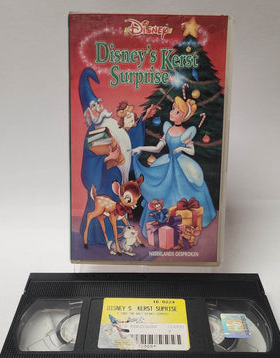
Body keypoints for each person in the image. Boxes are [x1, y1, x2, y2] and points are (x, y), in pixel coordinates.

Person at [78, 68, 157, 245]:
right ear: (88, 114)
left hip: (118, 175)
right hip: (104, 179)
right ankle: (100, 238)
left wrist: (143, 119)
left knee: (119, 207)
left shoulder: (111, 123)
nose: (99, 108)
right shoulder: (93, 131)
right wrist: (107, 158)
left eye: (98, 104)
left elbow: (127, 141)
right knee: (105, 208)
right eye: (93, 107)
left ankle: (120, 236)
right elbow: (89, 160)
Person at [132, 96, 216, 238]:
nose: (172, 113)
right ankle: (161, 225)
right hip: (167, 162)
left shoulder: (186, 133)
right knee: (159, 186)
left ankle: (182, 226)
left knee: (186, 185)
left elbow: (192, 151)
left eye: (177, 112)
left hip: (180, 164)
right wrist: (140, 147)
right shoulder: (168, 129)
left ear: (183, 116)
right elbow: (158, 148)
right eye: (173, 109)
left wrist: (181, 149)